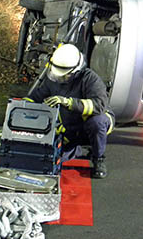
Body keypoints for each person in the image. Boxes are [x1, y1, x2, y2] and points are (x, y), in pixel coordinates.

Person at [27, 43, 114, 179]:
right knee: (53, 160)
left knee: (97, 122)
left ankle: (99, 158)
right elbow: (37, 96)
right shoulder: (53, 79)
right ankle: (79, 151)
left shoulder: (90, 79)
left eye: (65, 75)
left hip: (91, 124)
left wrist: (68, 102)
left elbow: (99, 106)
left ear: (76, 70)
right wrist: (22, 107)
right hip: (70, 127)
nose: (60, 78)